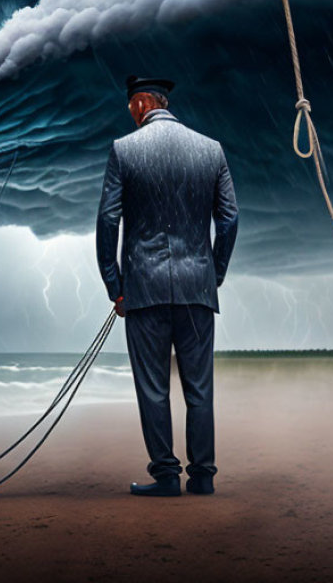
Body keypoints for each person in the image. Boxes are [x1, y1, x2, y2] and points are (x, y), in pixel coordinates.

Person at [95, 74, 238, 497]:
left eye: (130, 107)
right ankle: (204, 476)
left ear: (140, 104)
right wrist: (214, 274)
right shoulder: (211, 149)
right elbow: (229, 219)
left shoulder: (123, 149)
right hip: (197, 288)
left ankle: (166, 476)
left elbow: (107, 221)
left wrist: (114, 286)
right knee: (199, 387)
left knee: (154, 388)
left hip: (143, 290)